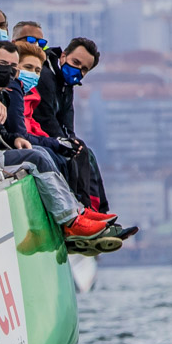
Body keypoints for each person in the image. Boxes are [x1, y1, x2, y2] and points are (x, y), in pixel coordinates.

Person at [0, 46, 117, 247]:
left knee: (39, 152)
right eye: (3, 64)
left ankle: (78, 211)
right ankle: (70, 221)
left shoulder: (2, 94)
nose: (8, 70)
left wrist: (15, 139)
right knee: (35, 158)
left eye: (13, 66)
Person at [32, 37, 113, 214]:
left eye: (84, 69)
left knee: (85, 152)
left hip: (52, 135)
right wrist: (65, 143)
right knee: (74, 155)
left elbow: (67, 117)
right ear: (63, 57)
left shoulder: (67, 84)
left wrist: (71, 139)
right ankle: (84, 210)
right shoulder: (45, 76)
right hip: (39, 135)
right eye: (76, 62)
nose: (78, 70)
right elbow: (46, 118)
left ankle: (101, 212)